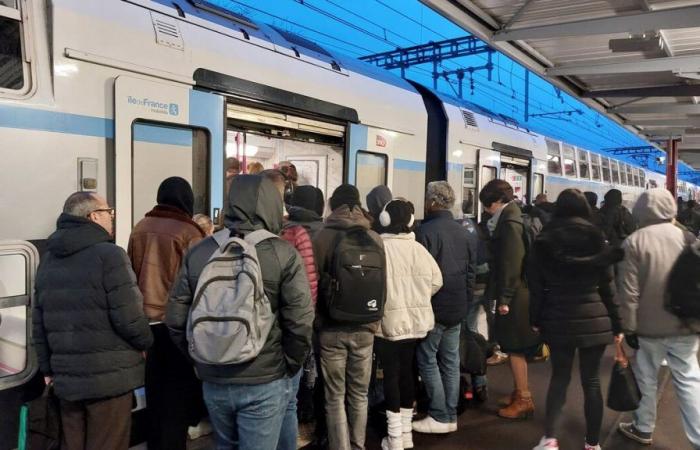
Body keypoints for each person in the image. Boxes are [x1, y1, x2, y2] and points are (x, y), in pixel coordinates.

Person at [166, 175, 313, 450]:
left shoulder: (200, 250)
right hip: (264, 378)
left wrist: (201, 357)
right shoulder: (283, 253)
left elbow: (174, 318)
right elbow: (301, 321)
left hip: (213, 378)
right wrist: (287, 365)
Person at [33, 192, 153, 450]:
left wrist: (47, 369)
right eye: (109, 212)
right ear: (93, 216)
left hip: (66, 379)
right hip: (109, 380)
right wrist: (145, 342)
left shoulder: (48, 260)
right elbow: (129, 316)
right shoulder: (110, 256)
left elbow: (39, 321)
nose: (112, 217)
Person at [528, 189, 623, 450]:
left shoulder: (545, 239)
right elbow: (608, 286)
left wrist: (535, 318)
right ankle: (592, 444)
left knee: (559, 379)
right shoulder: (597, 238)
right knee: (591, 382)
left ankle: (550, 440)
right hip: (595, 318)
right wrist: (617, 324)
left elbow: (536, 286)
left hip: (558, 316)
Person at [616, 189, 700, 449]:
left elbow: (628, 293)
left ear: (641, 211)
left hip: (649, 327)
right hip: (686, 323)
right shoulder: (688, 238)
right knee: (688, 379)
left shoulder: (634, 242)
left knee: (646, 378)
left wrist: (628, 327)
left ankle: (643, 428)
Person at [127, 177, 206, 450]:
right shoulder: (189, 232)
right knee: (178, 396)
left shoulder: (140, 227)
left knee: (155, 393)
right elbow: (198, 282)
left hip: (144, 325)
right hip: (175, 324)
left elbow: (131, 275)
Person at [313, 184, 384, 450]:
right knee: (359, 394)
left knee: (334, 397)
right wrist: (374, 320)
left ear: (333, 204)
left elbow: (314, 281)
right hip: (365, 326)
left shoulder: (322, 236)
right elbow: (383, 284)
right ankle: (358, 445)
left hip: (331, 327)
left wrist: (317, 322)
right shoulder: (374, 237)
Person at [375, 198, 443, 449]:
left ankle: (393, 438)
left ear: (384, 219)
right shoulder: (419, 250)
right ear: (411, 222)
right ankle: (406, 435)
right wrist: (419, 297)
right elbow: (437, 282)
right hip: (416, 324)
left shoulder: (379, 247)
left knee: (390, 375)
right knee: (407, 373)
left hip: (388, 322)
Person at [261, 170, 318, 450]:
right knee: (288, 403)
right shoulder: (296, 235)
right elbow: (308, 292)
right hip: (289, 336)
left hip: (257, 340)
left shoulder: (233, 237)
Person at [413, 181, 476, 434]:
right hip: (458, 306)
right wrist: (466, 302)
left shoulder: (424, 232)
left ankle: (439, 415)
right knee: (450, 360)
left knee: (427, 358)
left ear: (432, 202)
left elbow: (420, 276)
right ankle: (450, 415)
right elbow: (470, 273)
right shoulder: (464, 231)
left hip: (435, 308)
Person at [479, 179, 540, 420]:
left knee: (515, 348)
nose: (485, 210)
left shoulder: (509, 224)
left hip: (515, 295)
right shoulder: (512, 218)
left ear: (497, 202)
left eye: (487, 205)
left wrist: (504, 298)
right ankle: (518, 393)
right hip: (517, 291)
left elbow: (511, 264)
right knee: (514, 346)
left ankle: (524, 399)